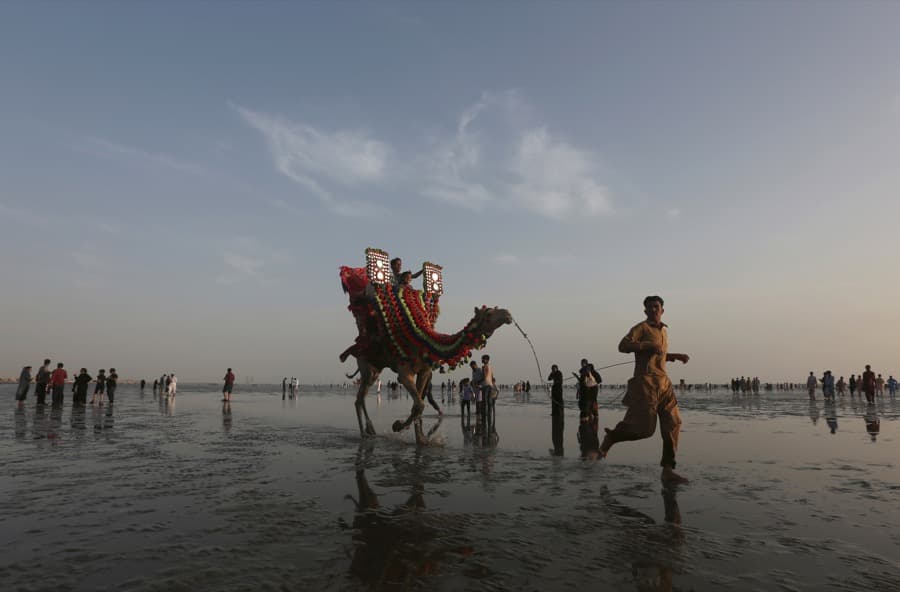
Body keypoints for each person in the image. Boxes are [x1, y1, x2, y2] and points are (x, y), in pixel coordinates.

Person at [599, 295, 690, 484]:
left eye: (656, 307)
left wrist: (674, 356)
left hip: (664, 384)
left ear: (662, 310)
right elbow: (623, 345)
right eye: (650, 307)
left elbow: (658, 355)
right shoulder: (641, 328)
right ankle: (613, 437)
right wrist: (646, 345)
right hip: (645, 385)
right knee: (645, 430)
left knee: (674, 424)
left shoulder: (664, 331)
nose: (654, 310)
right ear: (645, 311)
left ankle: (668, 469)